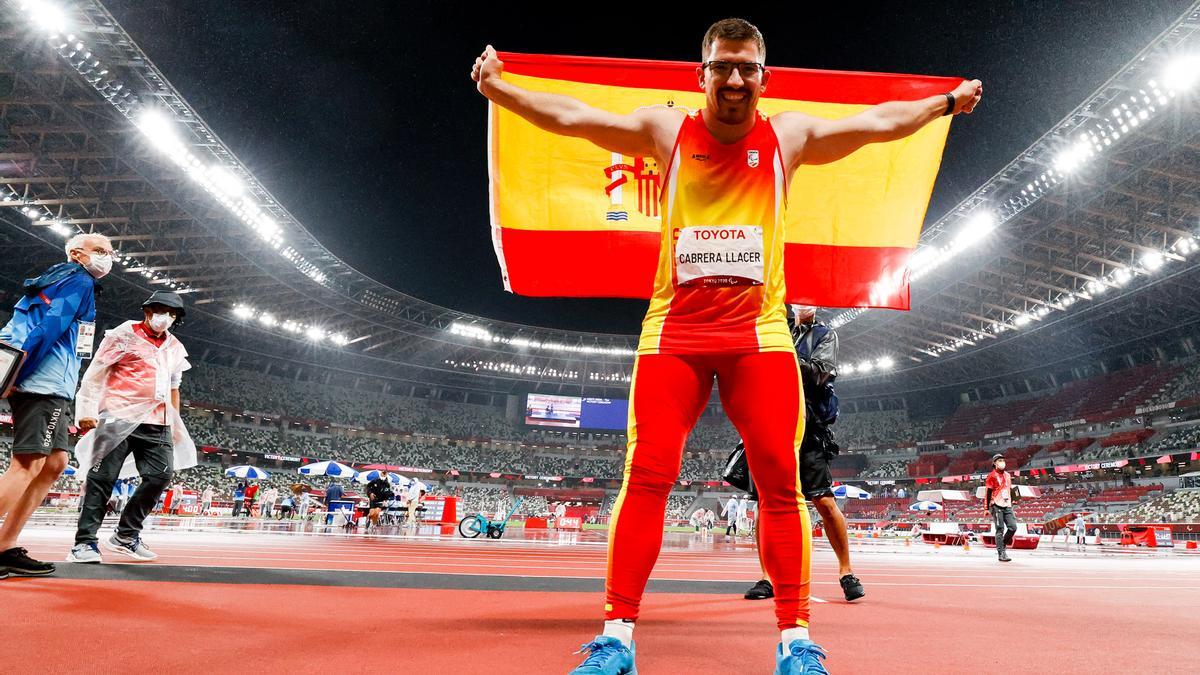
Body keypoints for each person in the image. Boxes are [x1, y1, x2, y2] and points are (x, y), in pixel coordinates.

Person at [473, 17, 980, 673]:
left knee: (780, 483)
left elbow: (875, 125)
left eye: (746, 67)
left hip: (759, 335)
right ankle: (616, 639)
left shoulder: (787, 135)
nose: (735, 78)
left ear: (764, 77)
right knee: (647, 476)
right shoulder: (667, 129)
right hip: (675, 332)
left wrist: (943, 104)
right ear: (702, 73)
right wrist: (502, 92)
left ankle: (796, 641)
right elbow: (574, 116)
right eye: (722, 66)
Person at [0, 233, 110, 577]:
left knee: (54, 463)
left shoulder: (56, 280)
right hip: (40, 382)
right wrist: (17, 373)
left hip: (49, 382)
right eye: (101, 251)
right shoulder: (77, 280)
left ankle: (4, 546)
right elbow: (49, 329)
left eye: (110, 252)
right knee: (28, 463)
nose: (108, 257)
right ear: (77, 254)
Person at [745, 306, 865, 603]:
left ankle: (846, 571)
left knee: (823, 499)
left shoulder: (825, 335)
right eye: (799, 295)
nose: (804, 302)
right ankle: (767, 577)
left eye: (811, 297)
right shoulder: (778, 328)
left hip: (809, 425)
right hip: (771, 422)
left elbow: (820, 373)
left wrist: (781, 355)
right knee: (765, 502)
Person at [66, 291, 196, 563]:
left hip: (157, 422)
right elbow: (95, 374)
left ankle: (126, 535)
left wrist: (173, 422)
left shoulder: (175, 347)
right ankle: (84, 543)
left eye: (172, 314)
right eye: (161, 310)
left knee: (161, 477)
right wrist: (87, 411)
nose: (166, 317)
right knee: (102, 480)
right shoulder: (122, 335)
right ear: (147, 311)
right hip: (117, 417)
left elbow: (174, 387)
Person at [983, 454, 1017, 563]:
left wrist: (1014, 498)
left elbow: (1009, 489)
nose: (1002, 462)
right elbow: (988, 492)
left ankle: (1002, 545)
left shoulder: (1007, 475)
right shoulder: (991, 476)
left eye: (1003, 460)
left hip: (1007, 505)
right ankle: (1001, 553)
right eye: (999, 460)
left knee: (1013, 527)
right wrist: (986, 508)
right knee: (1000, 529)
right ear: (994, 463)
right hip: (996, 505)